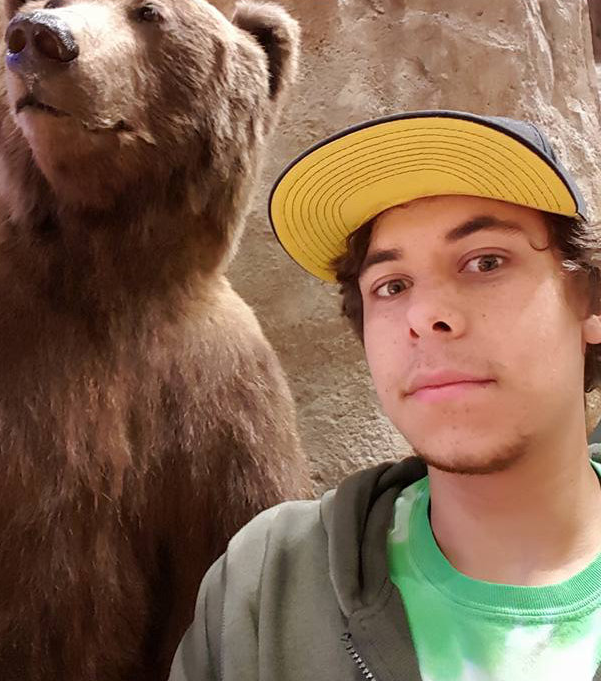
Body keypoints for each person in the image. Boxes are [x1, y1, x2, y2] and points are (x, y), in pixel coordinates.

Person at [167, 110, 601, 681]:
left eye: (485, 262)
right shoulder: (264, 584)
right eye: (392, 286)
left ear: (590, 302)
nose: (426, 315)